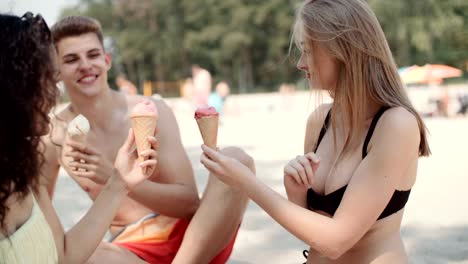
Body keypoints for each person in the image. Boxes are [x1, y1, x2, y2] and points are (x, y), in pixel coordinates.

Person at [200, 0, 431, 263]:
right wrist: (297, 194)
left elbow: (336, 241)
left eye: (307, 51)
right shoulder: (320, 121)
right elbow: (315, 234)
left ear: (342, 50)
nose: (300, 63)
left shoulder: (395, 125)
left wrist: (246, 182)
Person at [44, 16, 249, 263]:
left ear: (106, 61)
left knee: (237, 159)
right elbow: (39, 215)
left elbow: (189, 204)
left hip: (195, 240)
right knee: (89, 257)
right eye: (71, 59)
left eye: (93, 55)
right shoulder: (53, 136)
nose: (86, 65)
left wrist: (115, 178)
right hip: (131, 249)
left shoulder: (153, 110)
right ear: (55, 72)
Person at [0, 12, 157, 263]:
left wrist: (119, 181)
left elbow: (64, 256)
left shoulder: (24, 167)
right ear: (15, 87)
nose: (55, 93)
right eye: (48, 79)